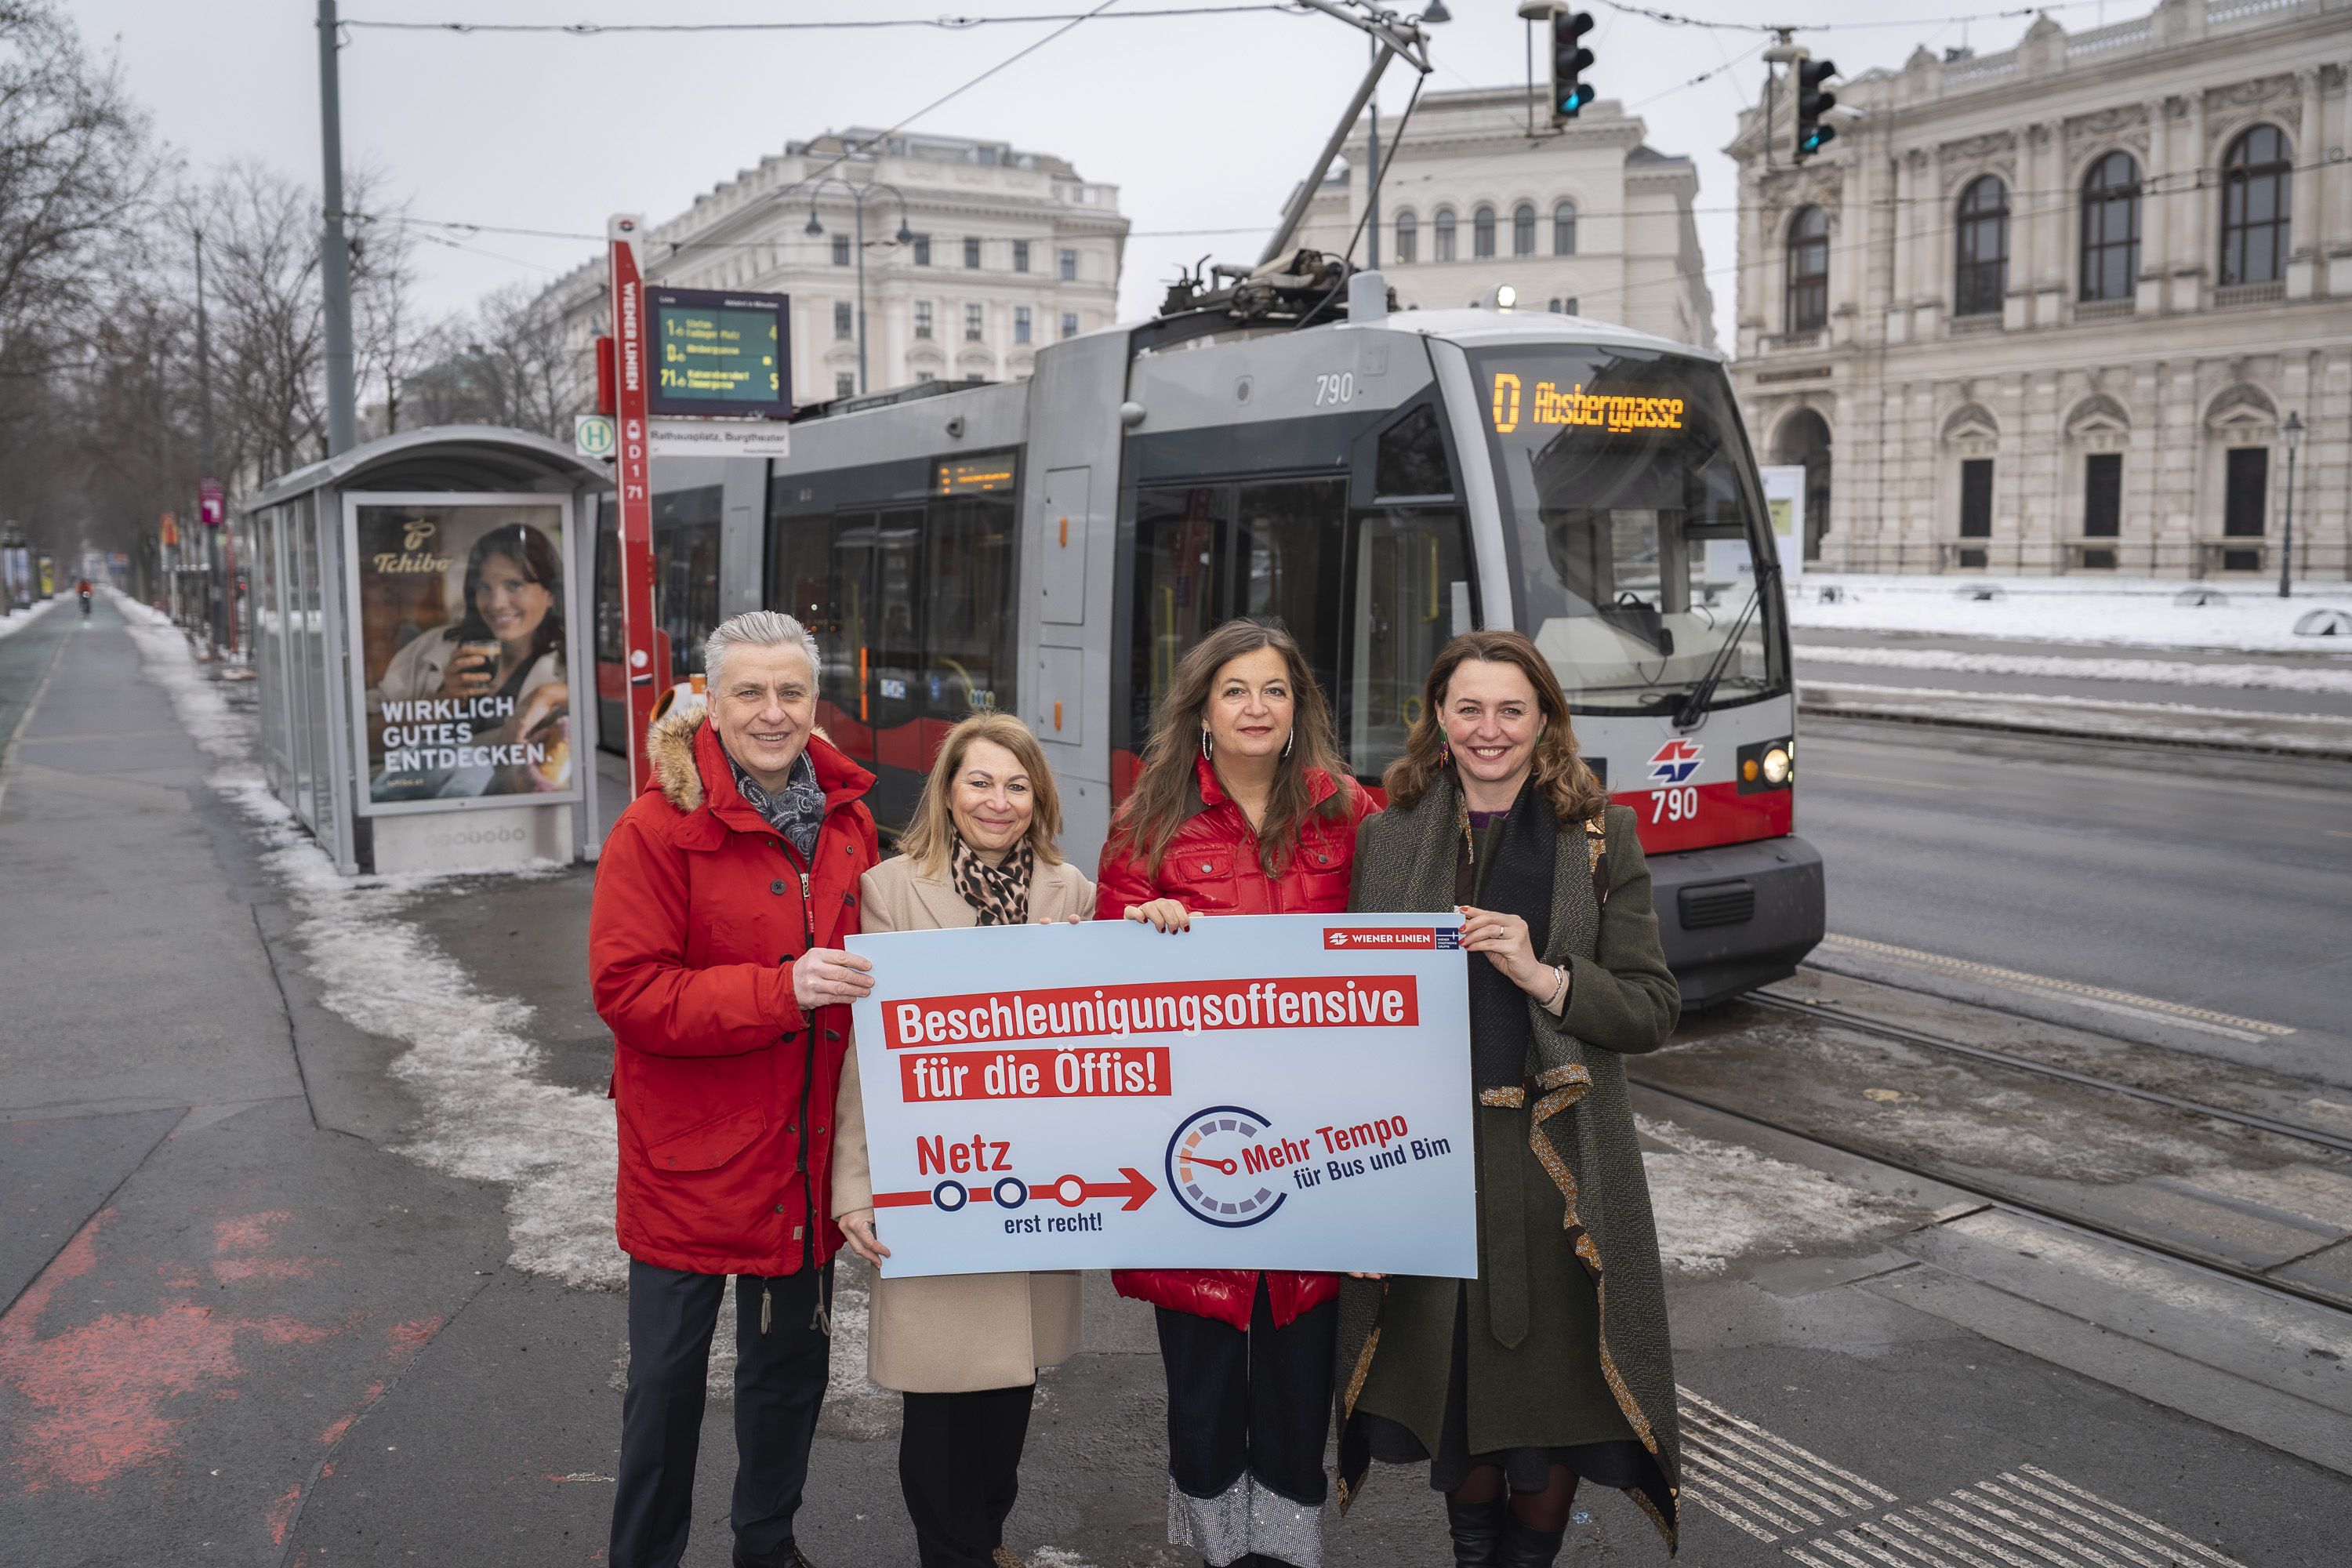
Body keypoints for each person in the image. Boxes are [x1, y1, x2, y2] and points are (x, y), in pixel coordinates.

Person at [1334, 630, 1684, 1566]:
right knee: (1461, 1407)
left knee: (1550, 1412)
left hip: (1556, 1167)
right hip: (1430, 1166)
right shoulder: (1389, 834)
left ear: (1545, 720)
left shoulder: (1599, 833)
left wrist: (1547, 976)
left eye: (1512, 709)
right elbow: (1339, 1011)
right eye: (1469, 708)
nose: (1490, 730)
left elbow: (1653, 1006)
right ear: (1438, 717)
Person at [588, 609, 881, 1568]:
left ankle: (768, 1545)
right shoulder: (655, 825)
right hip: (692, 1162)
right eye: (749, 690)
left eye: (790, 690)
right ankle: (645, 1554)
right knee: (667, 1386)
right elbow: (628, 991)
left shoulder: (849, 819)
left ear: (814, 702)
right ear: (709, 701)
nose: (771, 711)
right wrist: (782, 988)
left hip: (799, 1165)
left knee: (789, 1375)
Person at [1097, 618, 1378, 1568]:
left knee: (1301, 1387)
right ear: (1203, 711)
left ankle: (1287, 1554)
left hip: (1315, 1150)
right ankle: (1217, 1550)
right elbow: (1100, 990)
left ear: (1300, 709)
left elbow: (1397, 967)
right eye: (1236, 691)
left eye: (1275, 690)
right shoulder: (1148, 825)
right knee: (1205, 1394)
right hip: (1197, 1153)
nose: (1257, 707)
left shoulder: (1352, 813)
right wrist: (1139, 931)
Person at [832, 711, 1096, 1568]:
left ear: (1039, 797)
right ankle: (951, 1552)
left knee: (1008, 1393)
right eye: (980, 781)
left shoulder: (1074, 893)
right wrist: (855, 1185)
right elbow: (868, 1056)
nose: (999, 800)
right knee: (942, 1401)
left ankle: (985, 1537)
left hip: (1033, 1179)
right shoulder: (891, 888)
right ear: (947, 790)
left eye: (1017, 784)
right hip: (935, 1178)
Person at [376, 521, 570, 792]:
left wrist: (550, 694)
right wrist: (442, 702)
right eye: (484, 587)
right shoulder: (434, 648)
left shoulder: (570, 664)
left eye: (514, 585)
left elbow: (609, 705)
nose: (496, 603)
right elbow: (368, 739)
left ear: (550, 594)